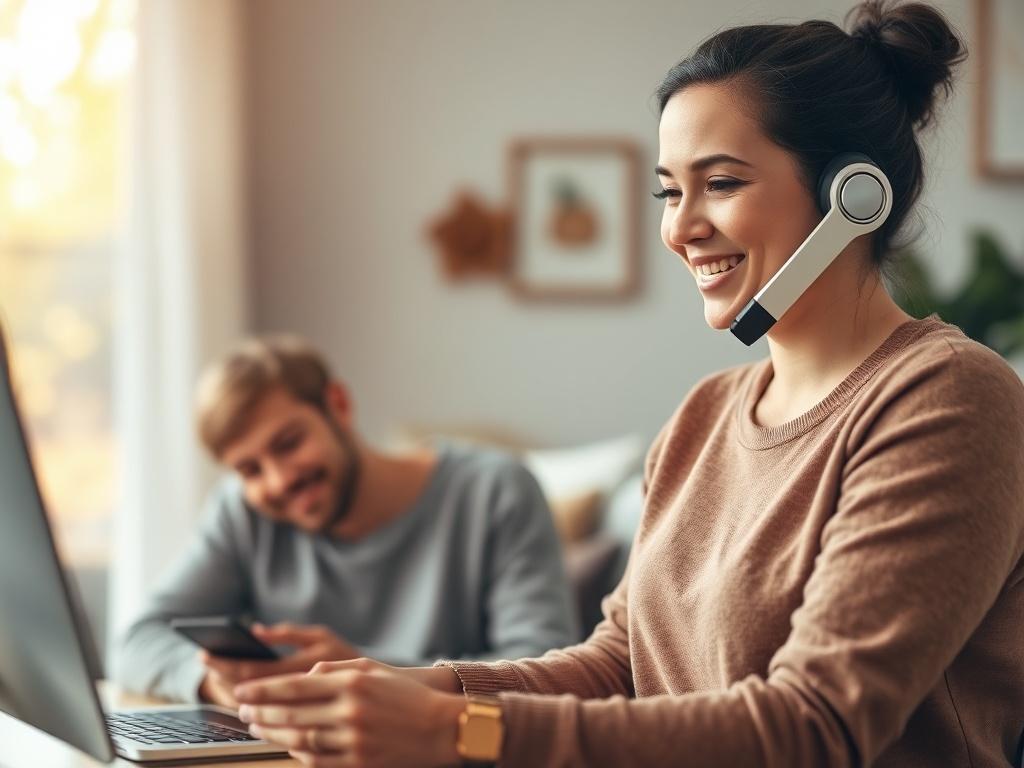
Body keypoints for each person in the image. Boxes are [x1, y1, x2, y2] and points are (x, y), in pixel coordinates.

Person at [225, 2, 1024, 766]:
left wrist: (454, 729)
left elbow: (814, 727)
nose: (679, 229)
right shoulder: (705, 416)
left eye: (721, 183)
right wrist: (414, 688)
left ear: (853, 196)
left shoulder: (948, 400)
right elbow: (621, 664)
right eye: (669, 191)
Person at [114, 335, 578, 707]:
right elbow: (136, 640)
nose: (276, 482)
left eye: (288, 443)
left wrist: (363, 669)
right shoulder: (242, 512)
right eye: (249, 470)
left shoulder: (495, 491)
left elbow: (544, 670)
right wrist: (208, 681)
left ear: (338, 404)